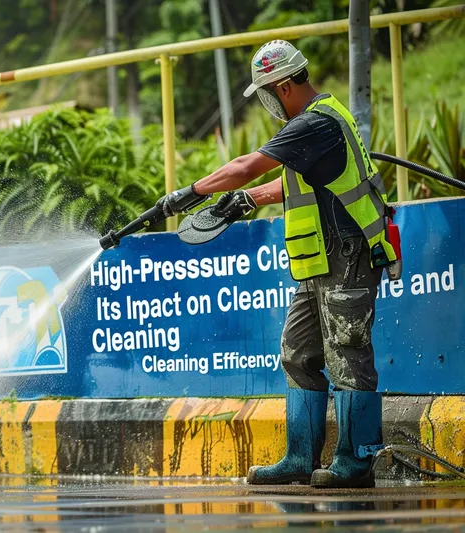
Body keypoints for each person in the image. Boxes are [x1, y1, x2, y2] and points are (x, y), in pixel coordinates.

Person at [157, 40, 397, 489]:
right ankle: (300, 458)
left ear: (284, 85)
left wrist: (192, 192)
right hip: (318, 260)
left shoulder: (315, 122)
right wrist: (246, 200)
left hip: (347, 252)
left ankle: (355, 463)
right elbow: (293, 186)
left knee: (348, 354)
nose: (268, 102)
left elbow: (249, 164)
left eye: (267, 91)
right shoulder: (312, 126)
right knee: (297, 353)